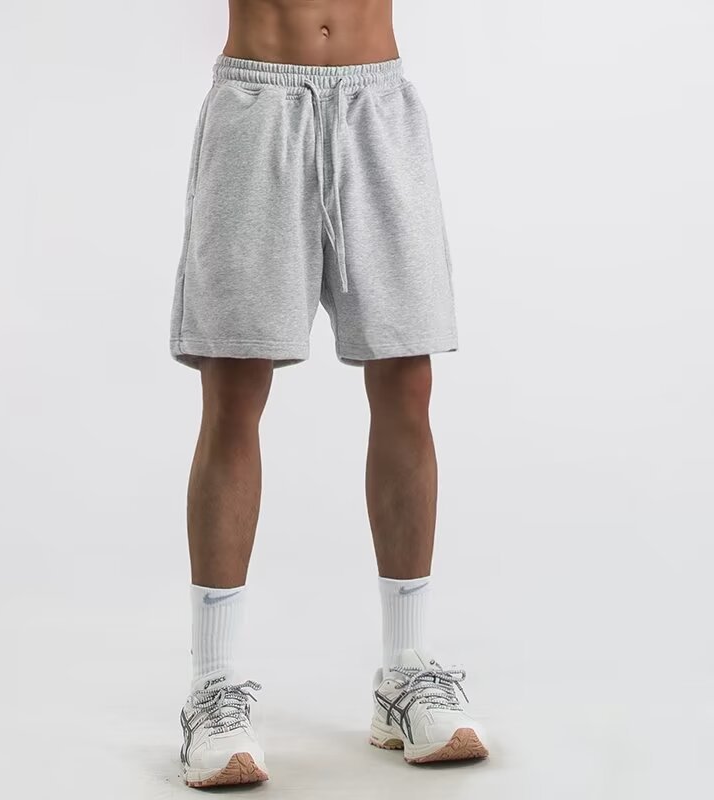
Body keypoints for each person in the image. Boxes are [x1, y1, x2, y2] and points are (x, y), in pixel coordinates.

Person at [170, 0, 487, 787]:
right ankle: (214, 687)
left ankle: (405, 672)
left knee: (408, 380)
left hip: (376, 105)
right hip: (258, 103)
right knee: (234, 386)